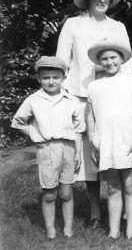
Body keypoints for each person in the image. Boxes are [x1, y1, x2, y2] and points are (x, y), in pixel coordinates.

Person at [56, 0, 132, 228]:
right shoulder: (73, 25)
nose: (102, 0)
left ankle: (121, 206)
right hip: (81, 96)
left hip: (113, 99)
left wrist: (128, 99)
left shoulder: (118, 27)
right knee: (90, 157)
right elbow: (61, 62)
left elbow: (128, 67)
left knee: (116, 150)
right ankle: (95, 212)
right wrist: (63, 96)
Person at [11, 56, 85, 239]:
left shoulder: (71, 100)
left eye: (55, 77)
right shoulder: (33, 100)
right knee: (49, 193)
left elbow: (78, 128)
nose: (51, 81)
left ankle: (68, 227)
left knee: (67, 192)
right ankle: (50, 229)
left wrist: (78, 153)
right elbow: (18, 122)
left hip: (68, 147)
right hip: (47, 149)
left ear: (63, 78)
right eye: (46, 77)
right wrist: (35, 136)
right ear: (39, 79)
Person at [85, 37, 132, 239]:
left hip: (128, 138)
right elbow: (90, 116)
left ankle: (131, 229)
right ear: (99, 62)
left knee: (129, 184)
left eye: (113, 57)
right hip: (106, 141)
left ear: (121, 59)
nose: (109, 62)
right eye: (104, 59)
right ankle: (113, 230)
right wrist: (93, 141)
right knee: (112, 186)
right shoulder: (95, 86)